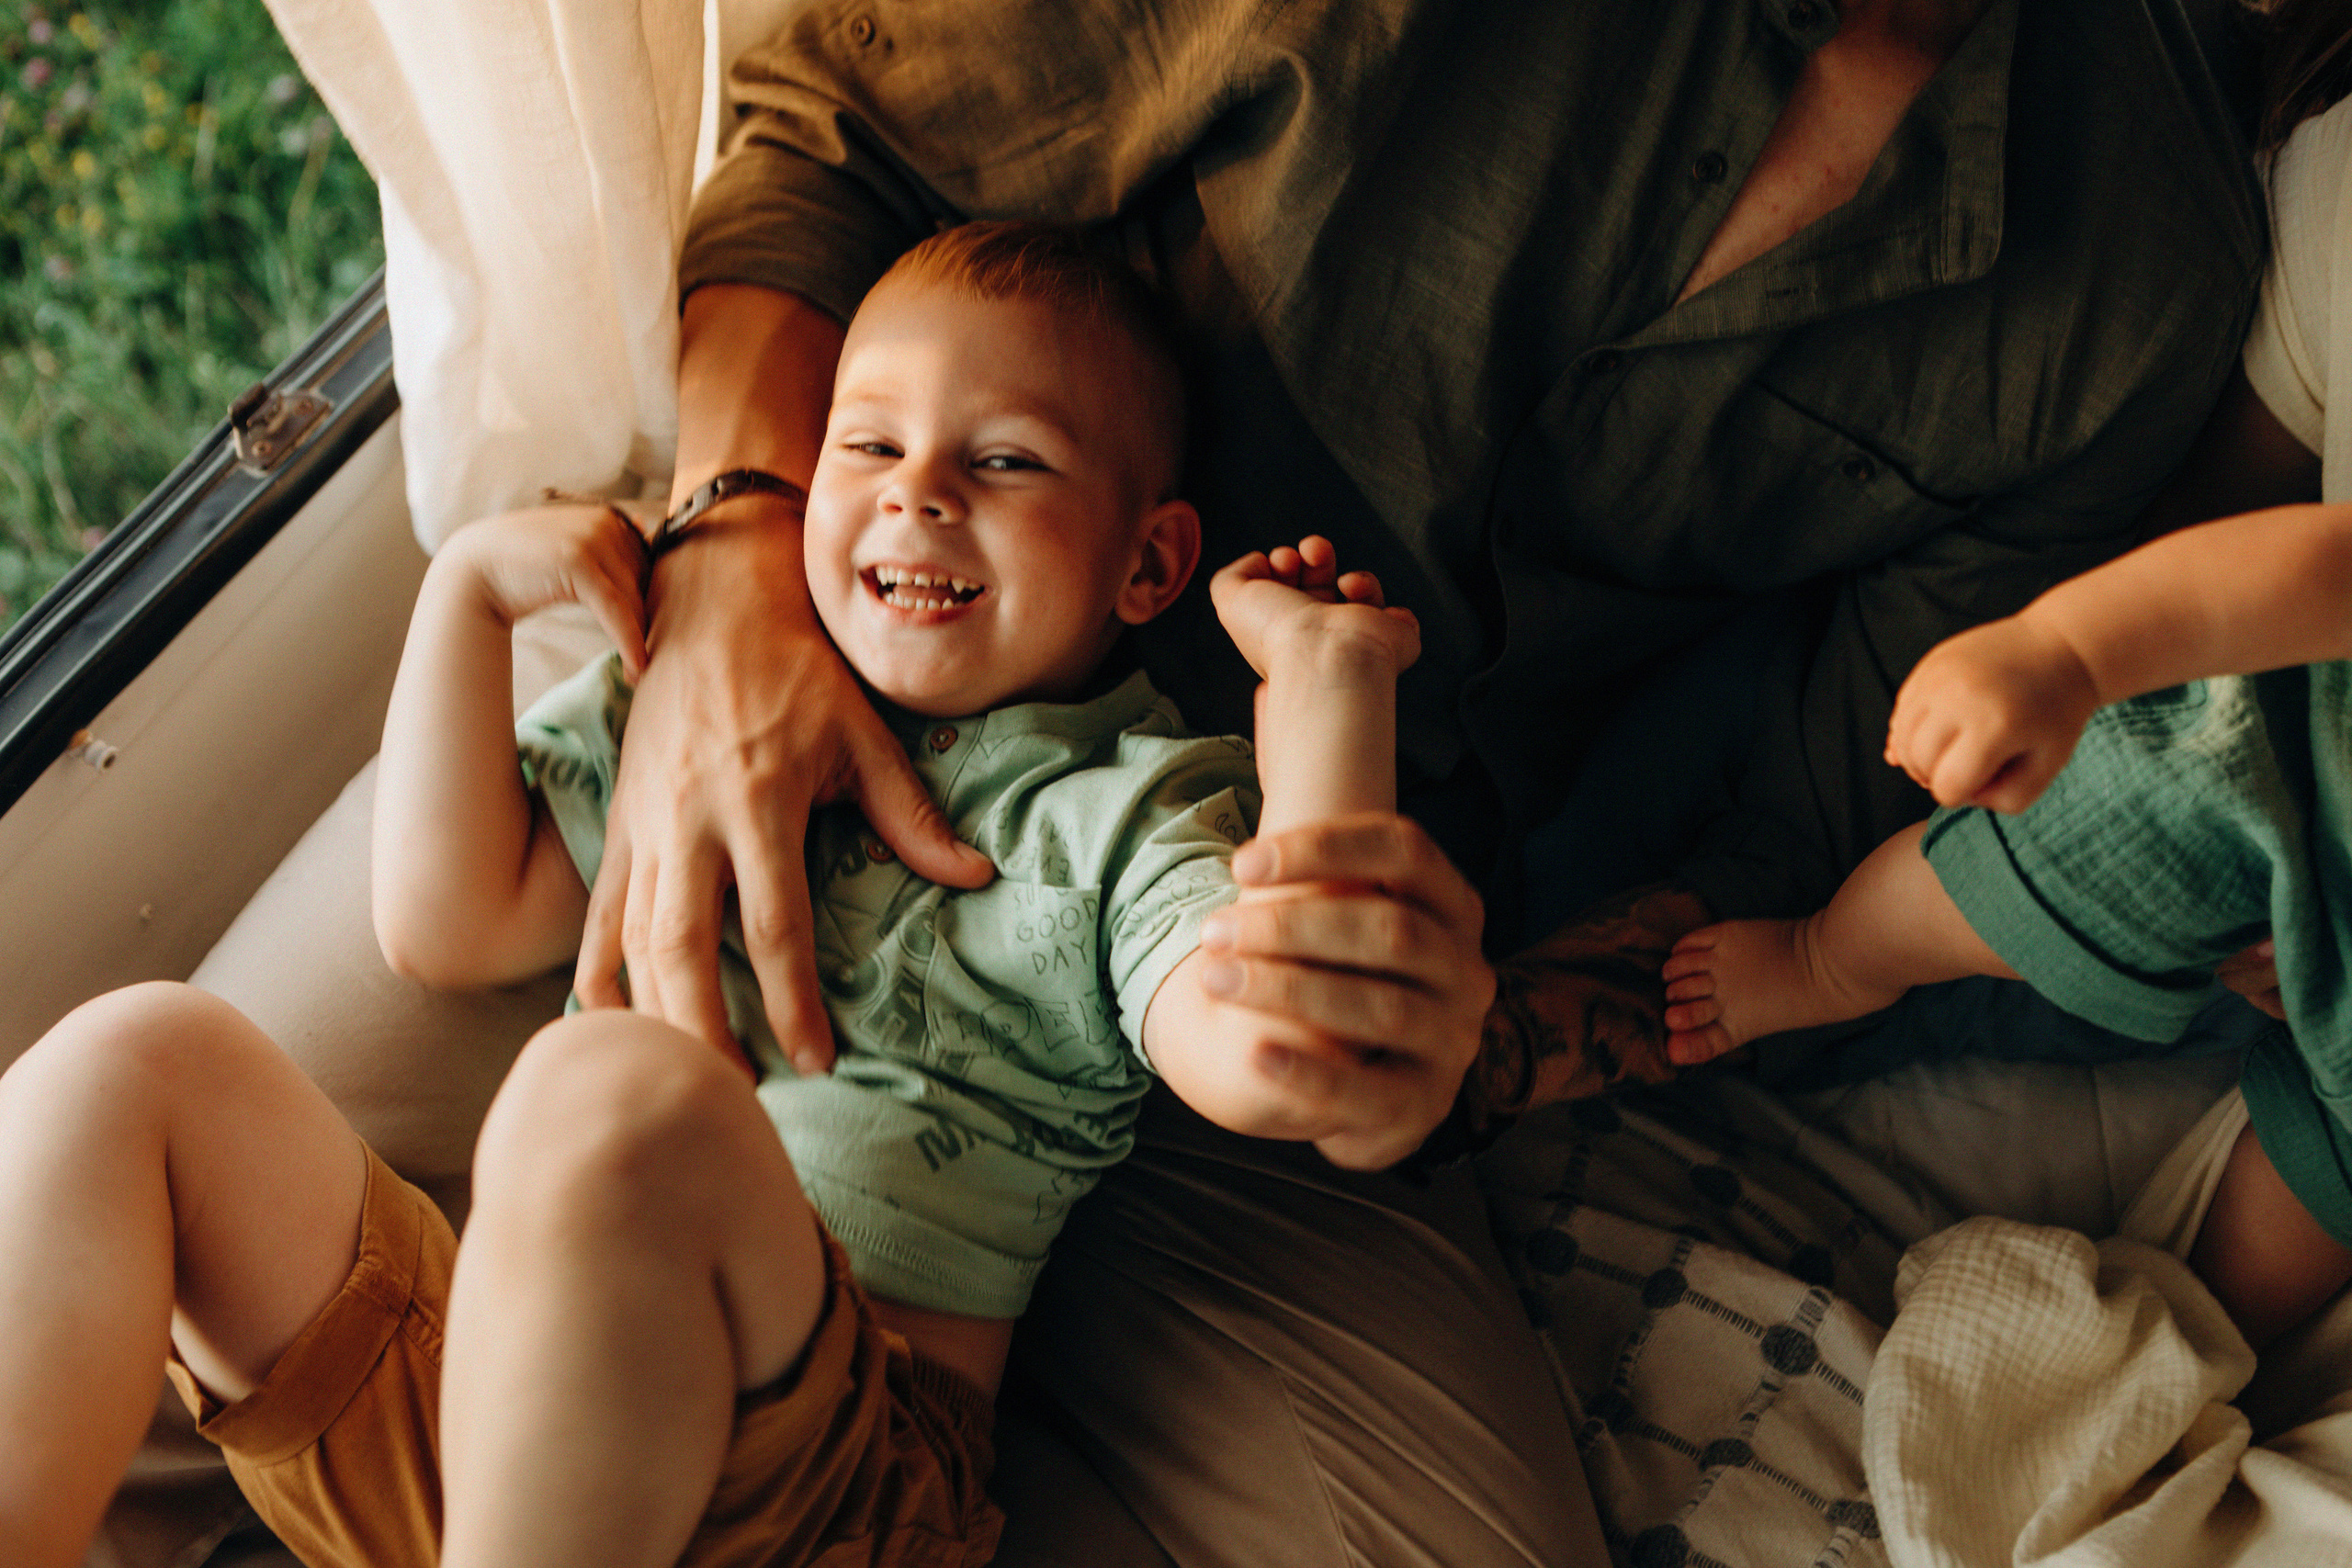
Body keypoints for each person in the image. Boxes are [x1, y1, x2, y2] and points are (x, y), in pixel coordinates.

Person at [0, 220, 1430, 1568]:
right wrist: (466, 604)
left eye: (1004, 463)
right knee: (131, 1060)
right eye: (867, 442)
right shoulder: (693, 704)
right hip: (496, 1422)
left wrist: (1321, 690)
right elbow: (446, 922)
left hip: (825, 1472)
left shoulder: (1127, 803)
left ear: (1150, 563)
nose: (918, 489)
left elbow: (1276, 1045)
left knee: (608, 1089)